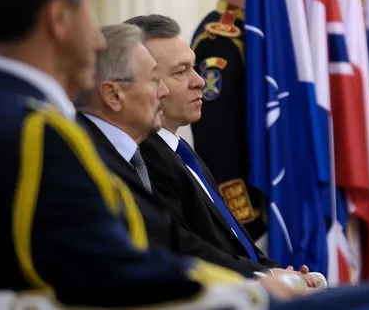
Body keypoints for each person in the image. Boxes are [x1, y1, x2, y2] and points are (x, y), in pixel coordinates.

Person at [0, 0, 255, 307]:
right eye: (88, 9)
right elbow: (114, 270)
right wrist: (252, 292)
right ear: (58, 18)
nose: (97, 40)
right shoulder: (36, 132)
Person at [125, 14, 322, 287]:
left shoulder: (181, 152)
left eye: (194, 68)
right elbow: (185, 249)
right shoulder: (142, 158)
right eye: (180, 72)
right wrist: (267, 278)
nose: (200, 82)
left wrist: (279, 273)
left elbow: (233, 240)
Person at [75, 23, 277, 279]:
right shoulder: (97, 156)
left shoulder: (174, 153)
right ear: (113, 95)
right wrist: (265, 279)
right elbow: (172, 250)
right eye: (154, 80)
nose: (162, 92)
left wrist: (274, 272)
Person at [186, 0, 317, 245]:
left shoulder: (272, 32)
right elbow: (217, 141)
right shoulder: (221, 41)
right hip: (260, 217)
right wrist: (247, 221)